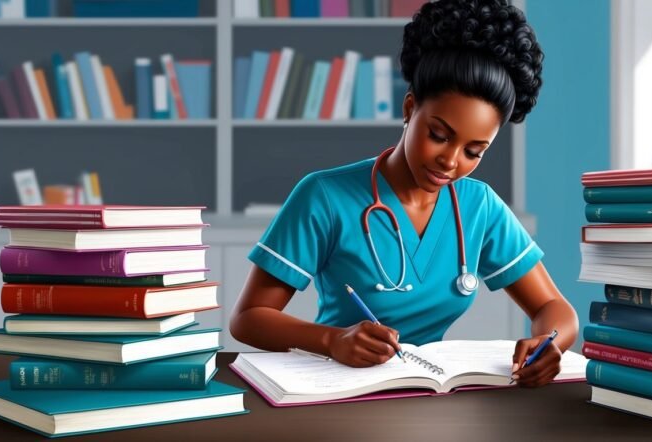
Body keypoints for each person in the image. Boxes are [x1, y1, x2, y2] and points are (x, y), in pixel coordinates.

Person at [230, 0, 578, 388]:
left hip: (430, 390)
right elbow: (249, 317)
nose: (450, 161)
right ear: (410, 108)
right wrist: (332, 340)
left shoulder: (479, 207)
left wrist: (549, 344)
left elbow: (554, 308)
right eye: (439, 136)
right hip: (337, 385)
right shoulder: (324, 196)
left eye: (474, 151)